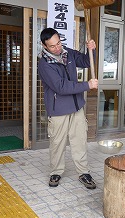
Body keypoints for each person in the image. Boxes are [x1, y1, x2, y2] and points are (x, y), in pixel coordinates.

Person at [38, 28, 98, 189]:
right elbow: (61, 87)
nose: (57, 48)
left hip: (77, 106)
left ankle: (83, 172)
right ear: (44, 46)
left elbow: (86, 61)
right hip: (58, 109)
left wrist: (91, 49)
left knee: (79, 141)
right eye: (52, 46)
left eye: (58, 43)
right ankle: (56, 172)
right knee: (57, 143)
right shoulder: (44, 64)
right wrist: (87, 85)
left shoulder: (68, 53)